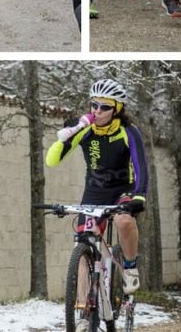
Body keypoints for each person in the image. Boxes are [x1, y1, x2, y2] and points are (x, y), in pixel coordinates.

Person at [45, 78, 148, 295]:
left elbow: (141, 167)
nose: (98, 111)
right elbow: (52, 161)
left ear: (117, 109)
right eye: (94, 105)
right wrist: (66, 136)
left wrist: (140, 195)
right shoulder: (85, 130)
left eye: (105, 107)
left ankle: (130, 268)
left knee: (123, 220)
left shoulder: (129, 131)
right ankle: (83, 311)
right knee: (83, 244)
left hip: (123, 190)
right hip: (95, 192)